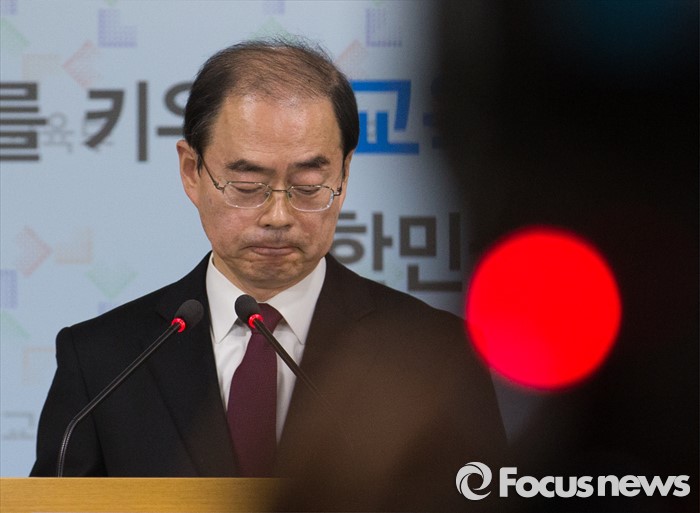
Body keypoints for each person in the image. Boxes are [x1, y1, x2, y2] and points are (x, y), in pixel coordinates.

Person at [31, 38, 506, 511]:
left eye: (308, 185)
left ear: (343, 176)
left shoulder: (436, 356)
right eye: (247, 185)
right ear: (192, 171)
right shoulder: (104, 362)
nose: (278, 216)